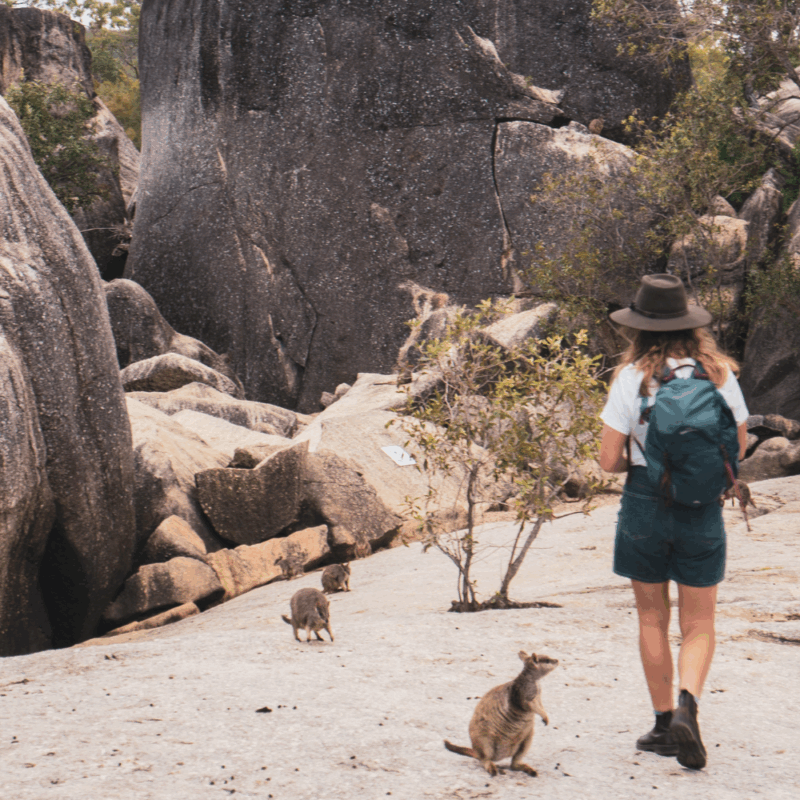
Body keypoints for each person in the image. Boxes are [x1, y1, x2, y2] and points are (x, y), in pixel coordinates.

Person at [599, 274, 749, 770]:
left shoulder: (631, 379)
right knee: (699, 620)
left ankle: (664, 725)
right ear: (691, 325)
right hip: (701, 508)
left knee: (651, 618)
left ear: (638, 329)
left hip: (645, 503)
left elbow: (608, 460)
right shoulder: (720, 375)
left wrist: (646, 460)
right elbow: (738, 448)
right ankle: (688, 705)